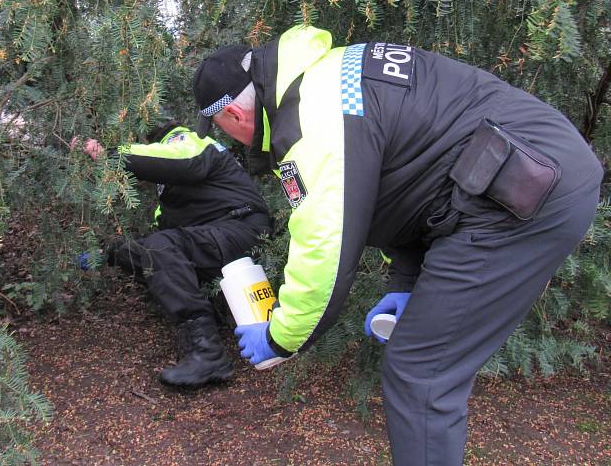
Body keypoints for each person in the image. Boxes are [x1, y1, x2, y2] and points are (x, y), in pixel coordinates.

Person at [191, 26, 603, 465]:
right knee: (422, 367)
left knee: (422, 375)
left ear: (234, 115)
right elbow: (418, 175)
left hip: (524, 187)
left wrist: (280, 336)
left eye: (222, 129)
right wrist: (407, 279)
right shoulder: (328, 74)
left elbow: (326, 249)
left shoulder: (310, 118)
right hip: (526, 171)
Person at [82, 119, 271, 387]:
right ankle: (209, 319)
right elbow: (166, 238)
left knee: (157, 246)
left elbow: (180, 161)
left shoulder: (184, 141)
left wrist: (111, 155)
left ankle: (207, 353)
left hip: (240, 227)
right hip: (216, 238)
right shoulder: (169, 194)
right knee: (145, 250)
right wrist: (112, 253)